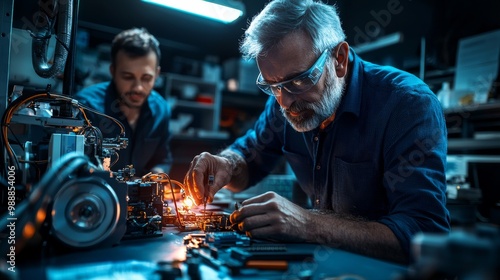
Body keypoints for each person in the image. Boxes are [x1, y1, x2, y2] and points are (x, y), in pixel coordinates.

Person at [183, 0, 450, 264]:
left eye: (300, 80)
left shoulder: (407, 104)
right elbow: (249, 156)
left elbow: (425, 235)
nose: (284, 102)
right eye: (272, 86)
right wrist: (227, 164)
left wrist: (307, 223)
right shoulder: (284, 99)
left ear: (340, 60)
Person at [75, 27, 172, 176]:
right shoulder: (86, 107)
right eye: (128, 77)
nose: (138, 87)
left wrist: (156, 175)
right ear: (113, 71)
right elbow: (73, 167)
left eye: (146, 78)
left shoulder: (161, 109)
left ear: (157, 74)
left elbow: (162, 159)